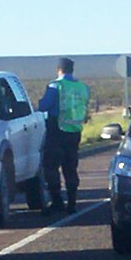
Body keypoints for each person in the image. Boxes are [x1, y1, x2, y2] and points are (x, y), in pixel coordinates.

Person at [37, 57, 91, 213]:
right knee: (70, 167)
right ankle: (72, 203)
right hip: (75, 131)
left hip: (57, 129)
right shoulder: (83, 88)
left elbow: (44, 106)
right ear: (72, 69)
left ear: (59, 69)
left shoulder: (56, 86)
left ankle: (57, 201)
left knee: (51, 167)